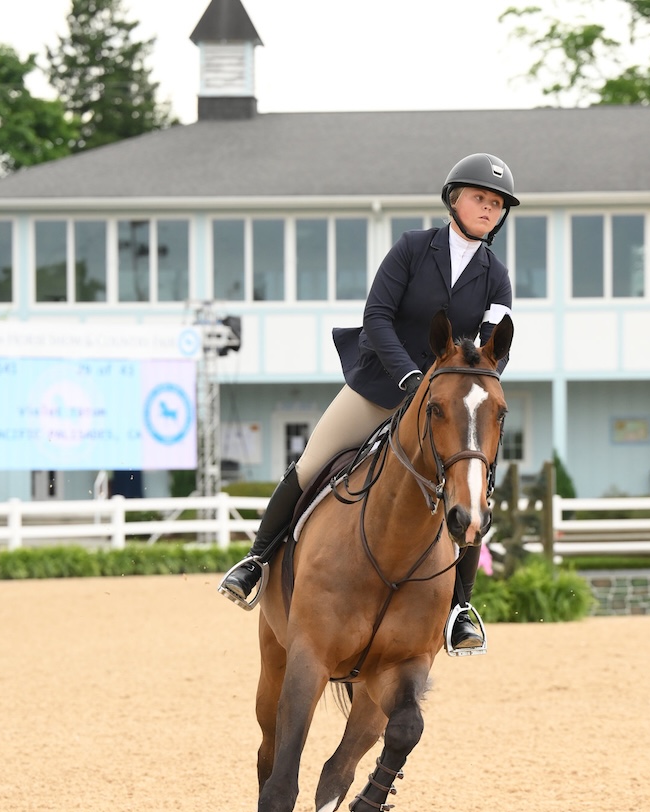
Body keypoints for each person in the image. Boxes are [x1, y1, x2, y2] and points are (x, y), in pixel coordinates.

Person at [219, 152, 520, 652]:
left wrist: (462, 395)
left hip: (443, 409)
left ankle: (461, 609)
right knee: (312, 462)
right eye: (479, 198)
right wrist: (408, 377)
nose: (488, 209)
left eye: (496, 204)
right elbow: (377, 317)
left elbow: (489, 355)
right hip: (383, 387)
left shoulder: (497, 276)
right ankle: (256, 561)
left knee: (473, 492)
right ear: (454, 200)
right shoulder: (412, 249)